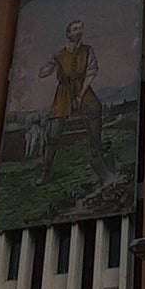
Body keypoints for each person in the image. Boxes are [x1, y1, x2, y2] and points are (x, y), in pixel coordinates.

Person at [35, 18, 111, 186]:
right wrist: (52, 64)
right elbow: (42, 73)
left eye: (80, 28)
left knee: (95, 108)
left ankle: (97, 160)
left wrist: (80, 95)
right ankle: (46, 171)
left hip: (83, 89)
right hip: (64, 93)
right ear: (68, 34)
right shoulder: (59, 55)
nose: (78, 31)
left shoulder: (87, 50)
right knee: (53, 134)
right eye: (75, 29)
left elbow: (91, 72)